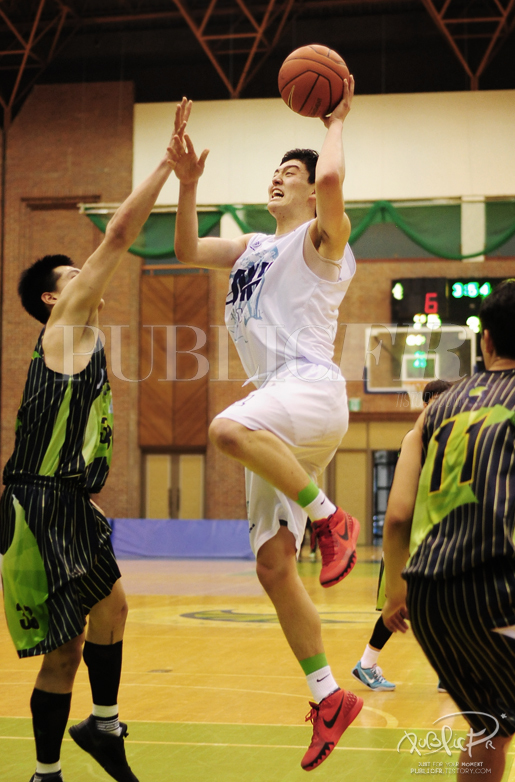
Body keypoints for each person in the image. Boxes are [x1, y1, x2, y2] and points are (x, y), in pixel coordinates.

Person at [172, 81, 362, 770]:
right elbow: (186, 247)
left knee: (225, 431)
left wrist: (334, 122)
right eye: (275, 170)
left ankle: (332, 520)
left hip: (308, 388)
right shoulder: (252, 246)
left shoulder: (323, 241)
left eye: (291, 172)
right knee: (272, 565)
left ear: (312, 192)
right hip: (276, 404)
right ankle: (329, 696)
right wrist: (186, 182)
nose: (278, 177)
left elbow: (333, 178)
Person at [0, 100, 189, 782]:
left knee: (106, 616)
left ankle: (99, 729)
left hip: (64, 499)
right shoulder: (65, 328)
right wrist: (166, 167)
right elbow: (118, 236)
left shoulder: (85, 342)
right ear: (54, 299)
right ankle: (54, 767)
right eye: (72, 276)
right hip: (38, 504)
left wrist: (82, 493)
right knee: (66, 646)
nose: (87, 276)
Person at [382, 279, 515, 782]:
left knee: (491, 727)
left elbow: (397, 515)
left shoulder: (435, 410)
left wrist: (396, 593)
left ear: (486, 341)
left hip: (431, 601)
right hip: (499, 591)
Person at [352, 379, 452, 692]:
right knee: (398, 604)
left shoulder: (446, 441)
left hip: (432, 534)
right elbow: (402, 506)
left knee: (440, 603)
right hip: (410, 537)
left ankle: (446, 672)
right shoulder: (417, 439)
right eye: (438, 400)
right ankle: (367, 663)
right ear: (427, 402)